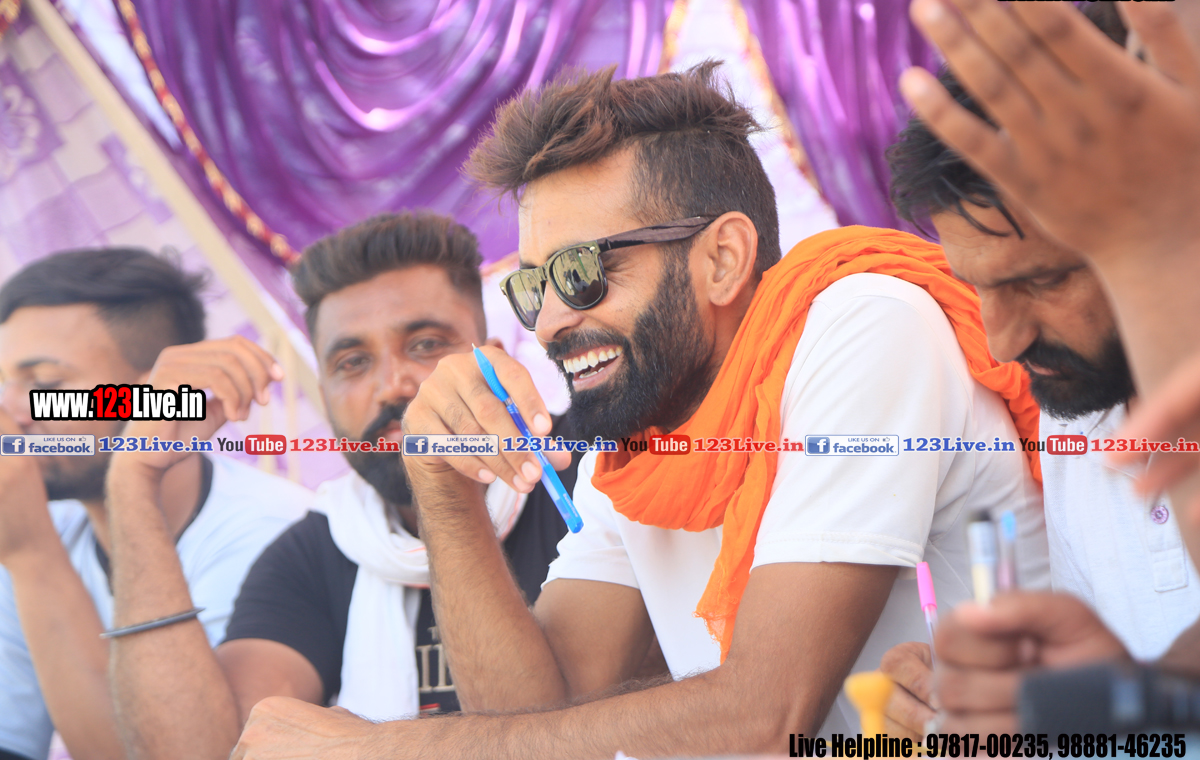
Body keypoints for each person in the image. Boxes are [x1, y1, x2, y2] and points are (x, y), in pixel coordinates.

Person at [232, 62, 1050, 758]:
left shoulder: (861, 325)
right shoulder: (638, 439)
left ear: (722, 259)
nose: (549, 322)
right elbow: (540, 715)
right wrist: (444, 492)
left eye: (583, 273)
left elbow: (766, 716)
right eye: (532, 286)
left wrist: (380, 747)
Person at [108, 212, 587, 759]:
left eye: (426, 344)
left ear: (494, 355)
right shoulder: (315, 551)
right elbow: (200, 752)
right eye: (353, 362)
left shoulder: (591, 472)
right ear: (325, 395)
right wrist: (133, 479)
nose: (392, 385)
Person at [879, 65, 1200, 737]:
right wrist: (1037, 714)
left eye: (1046, 279)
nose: (1003, 343)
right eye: (979, 286)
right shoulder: (1075, 412)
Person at [0, 248, 311, 760]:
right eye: (5, 383)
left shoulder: (276, 534)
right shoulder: (41, 520)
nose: (13, 412)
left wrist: (33, 557)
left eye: (46, 383)